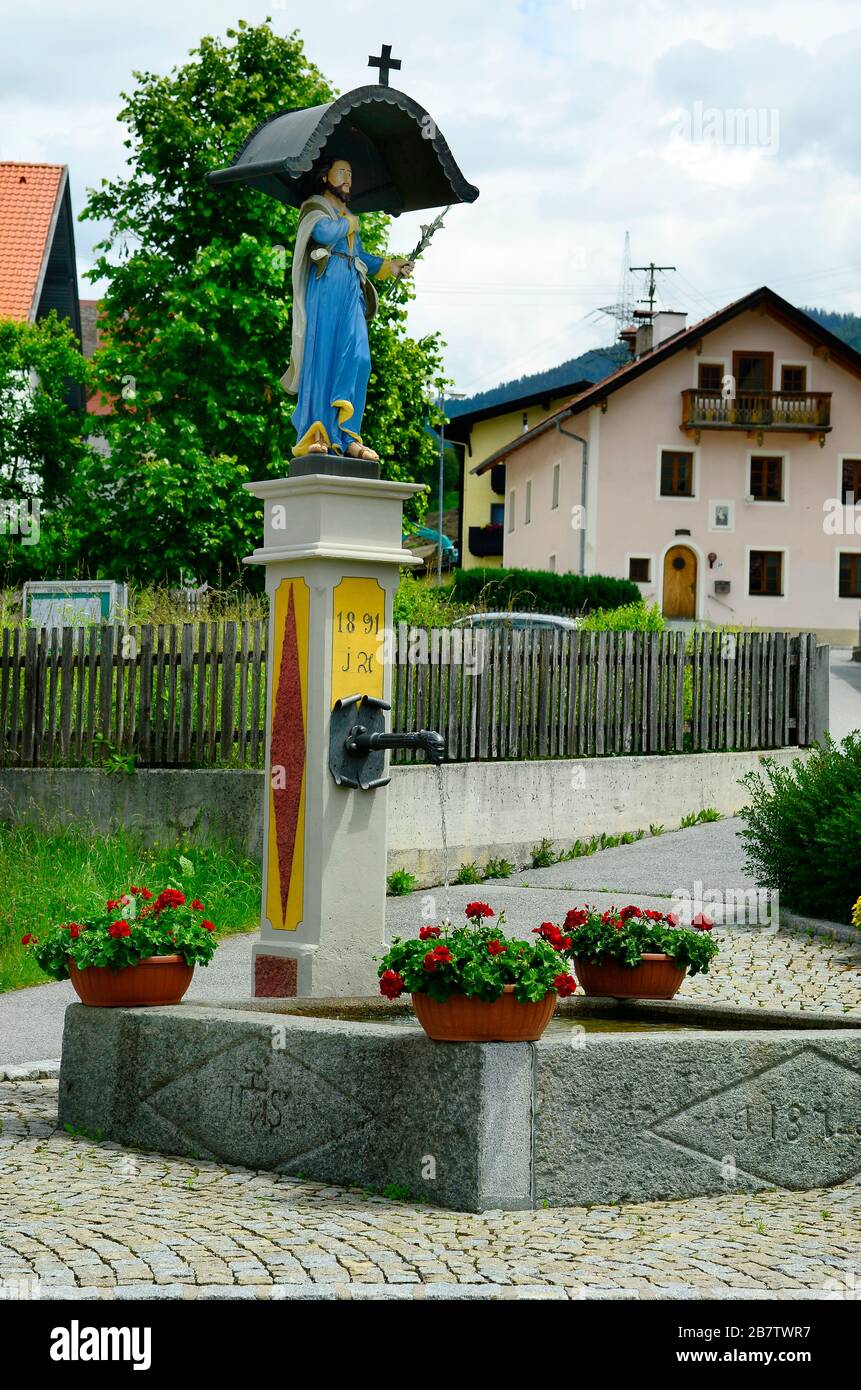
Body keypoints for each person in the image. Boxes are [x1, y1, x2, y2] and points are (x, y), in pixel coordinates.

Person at [282, 158, 414, 461]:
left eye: (350, 173)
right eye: (341, 172)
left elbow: (360, 254)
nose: (347, 178)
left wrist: (391, 266)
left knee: (359, 358)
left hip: (350, 288)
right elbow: (324, 235)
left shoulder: (348, 216)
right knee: (323, 358)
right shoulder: (315, 208)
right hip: (325, 288)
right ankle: (317, 435)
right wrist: (347, 223)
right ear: (325, 177)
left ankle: (349, 435)